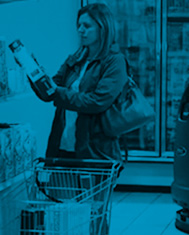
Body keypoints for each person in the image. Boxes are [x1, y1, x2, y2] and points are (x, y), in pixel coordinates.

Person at [37, 3, 128, 162]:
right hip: (63, 146)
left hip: (95, 152)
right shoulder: (75, 59)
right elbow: (49, 93)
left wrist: (58, 91)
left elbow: (97, 101)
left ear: (102, 28)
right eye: (78, 25)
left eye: (86, 26)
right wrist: (35, 74)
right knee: (59, 187)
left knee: (91, 188)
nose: (80, 30)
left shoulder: (114, 62)